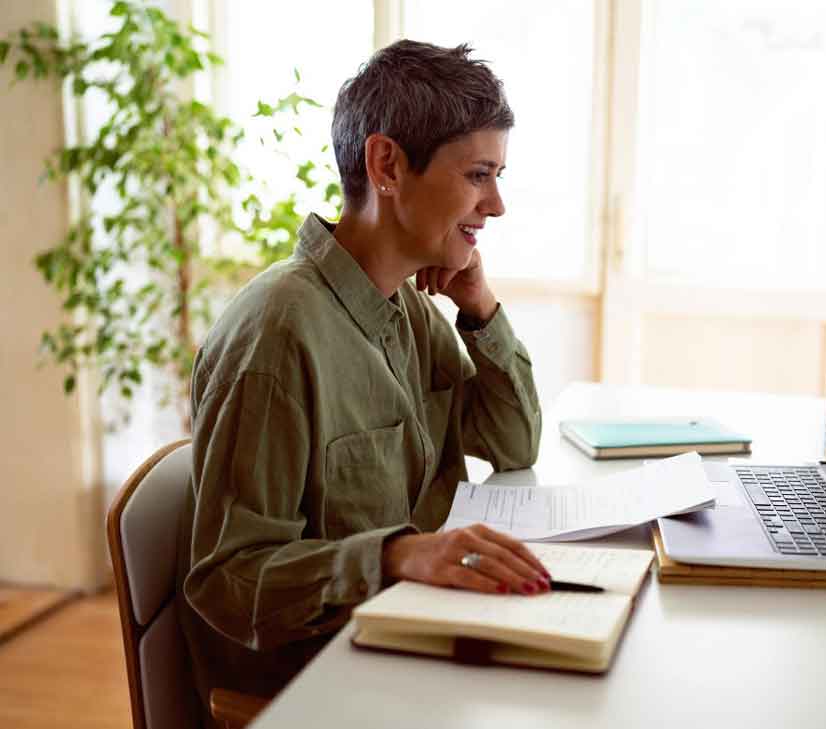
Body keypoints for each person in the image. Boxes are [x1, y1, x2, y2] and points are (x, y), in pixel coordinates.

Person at [176, 40, 551, 710]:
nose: (496, 205)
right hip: (328, 688)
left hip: (415, 641)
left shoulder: (406, 306)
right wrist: (395, 556)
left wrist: (481, 308)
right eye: (478, 175)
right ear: (387, 165)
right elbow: (229, 579)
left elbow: (513, 442)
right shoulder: (277, 335)